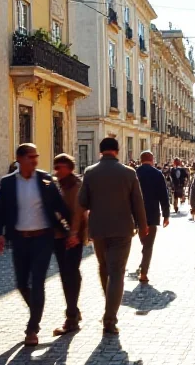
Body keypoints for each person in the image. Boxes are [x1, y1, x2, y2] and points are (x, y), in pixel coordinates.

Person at [0, 143, 71, 346]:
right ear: (19, 159)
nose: (35, 160)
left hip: (43, 238)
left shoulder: (45, 180)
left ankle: (32, 328)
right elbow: (1, 211)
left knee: (37, 282)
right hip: (19, 238)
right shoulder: (8, 183)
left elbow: (60, 206)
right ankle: (37, 309)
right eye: (30, 157)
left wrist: (71, 231)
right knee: (21, 283)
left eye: (36, 156)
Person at [77, 138, 148, 336]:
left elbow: (83, 202)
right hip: (123, 229)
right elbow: (138, 203)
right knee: (117, 273)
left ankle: (109, 305)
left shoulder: (90, 172)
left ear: (100, 152)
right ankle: (110, 318)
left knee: (104, 268)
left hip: (98, 229)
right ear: (117, 151)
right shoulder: (129, 172)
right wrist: (143, 226)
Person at [51, 154, 85, 336]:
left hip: (72, 237)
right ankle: (73, 311)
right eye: (55, 167)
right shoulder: (59, 185)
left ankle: (71, 317)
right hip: (59, 236)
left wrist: (74, 234)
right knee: (67, 274)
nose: (57, 171)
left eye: (60, 167)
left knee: (70, 274)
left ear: (69, 168)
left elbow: (79, 212)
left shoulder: (76, 186)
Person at [135, 151, 170, 283]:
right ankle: (143, 272)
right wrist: (166, 215)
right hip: (152, 214)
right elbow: (164, 196)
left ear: (141, 160)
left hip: (137, 214)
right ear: (152, 159)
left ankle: (143, 264)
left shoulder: (134, 173)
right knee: (148, 245)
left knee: (144, 241)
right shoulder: (157, 174)